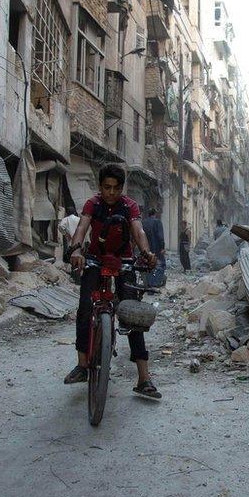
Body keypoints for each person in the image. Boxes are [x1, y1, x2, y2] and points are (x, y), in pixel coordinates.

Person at [64, 163, 161, 399]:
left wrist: (146, 252)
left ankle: (144, 377)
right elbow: (82, 227)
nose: (111, 193)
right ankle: (82, 364)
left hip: (124, 260)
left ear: (122, 189)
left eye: (116, 188)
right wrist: (76, 250)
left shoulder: (129, 206)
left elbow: (138, 232)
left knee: (132, 315)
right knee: (85, 308)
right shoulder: (92, 204)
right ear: (100, 187)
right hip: (96, 259)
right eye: (107, 187)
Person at [141, 208, 166, 287]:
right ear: (155, 213)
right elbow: (160, 236)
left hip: (146, 249)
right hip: (156, 248)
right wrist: (162, 247)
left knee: (148, 265)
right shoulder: (157, 222)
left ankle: (149, 284)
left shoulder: (143, 222)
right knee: (161, 265)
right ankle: (155, 284)